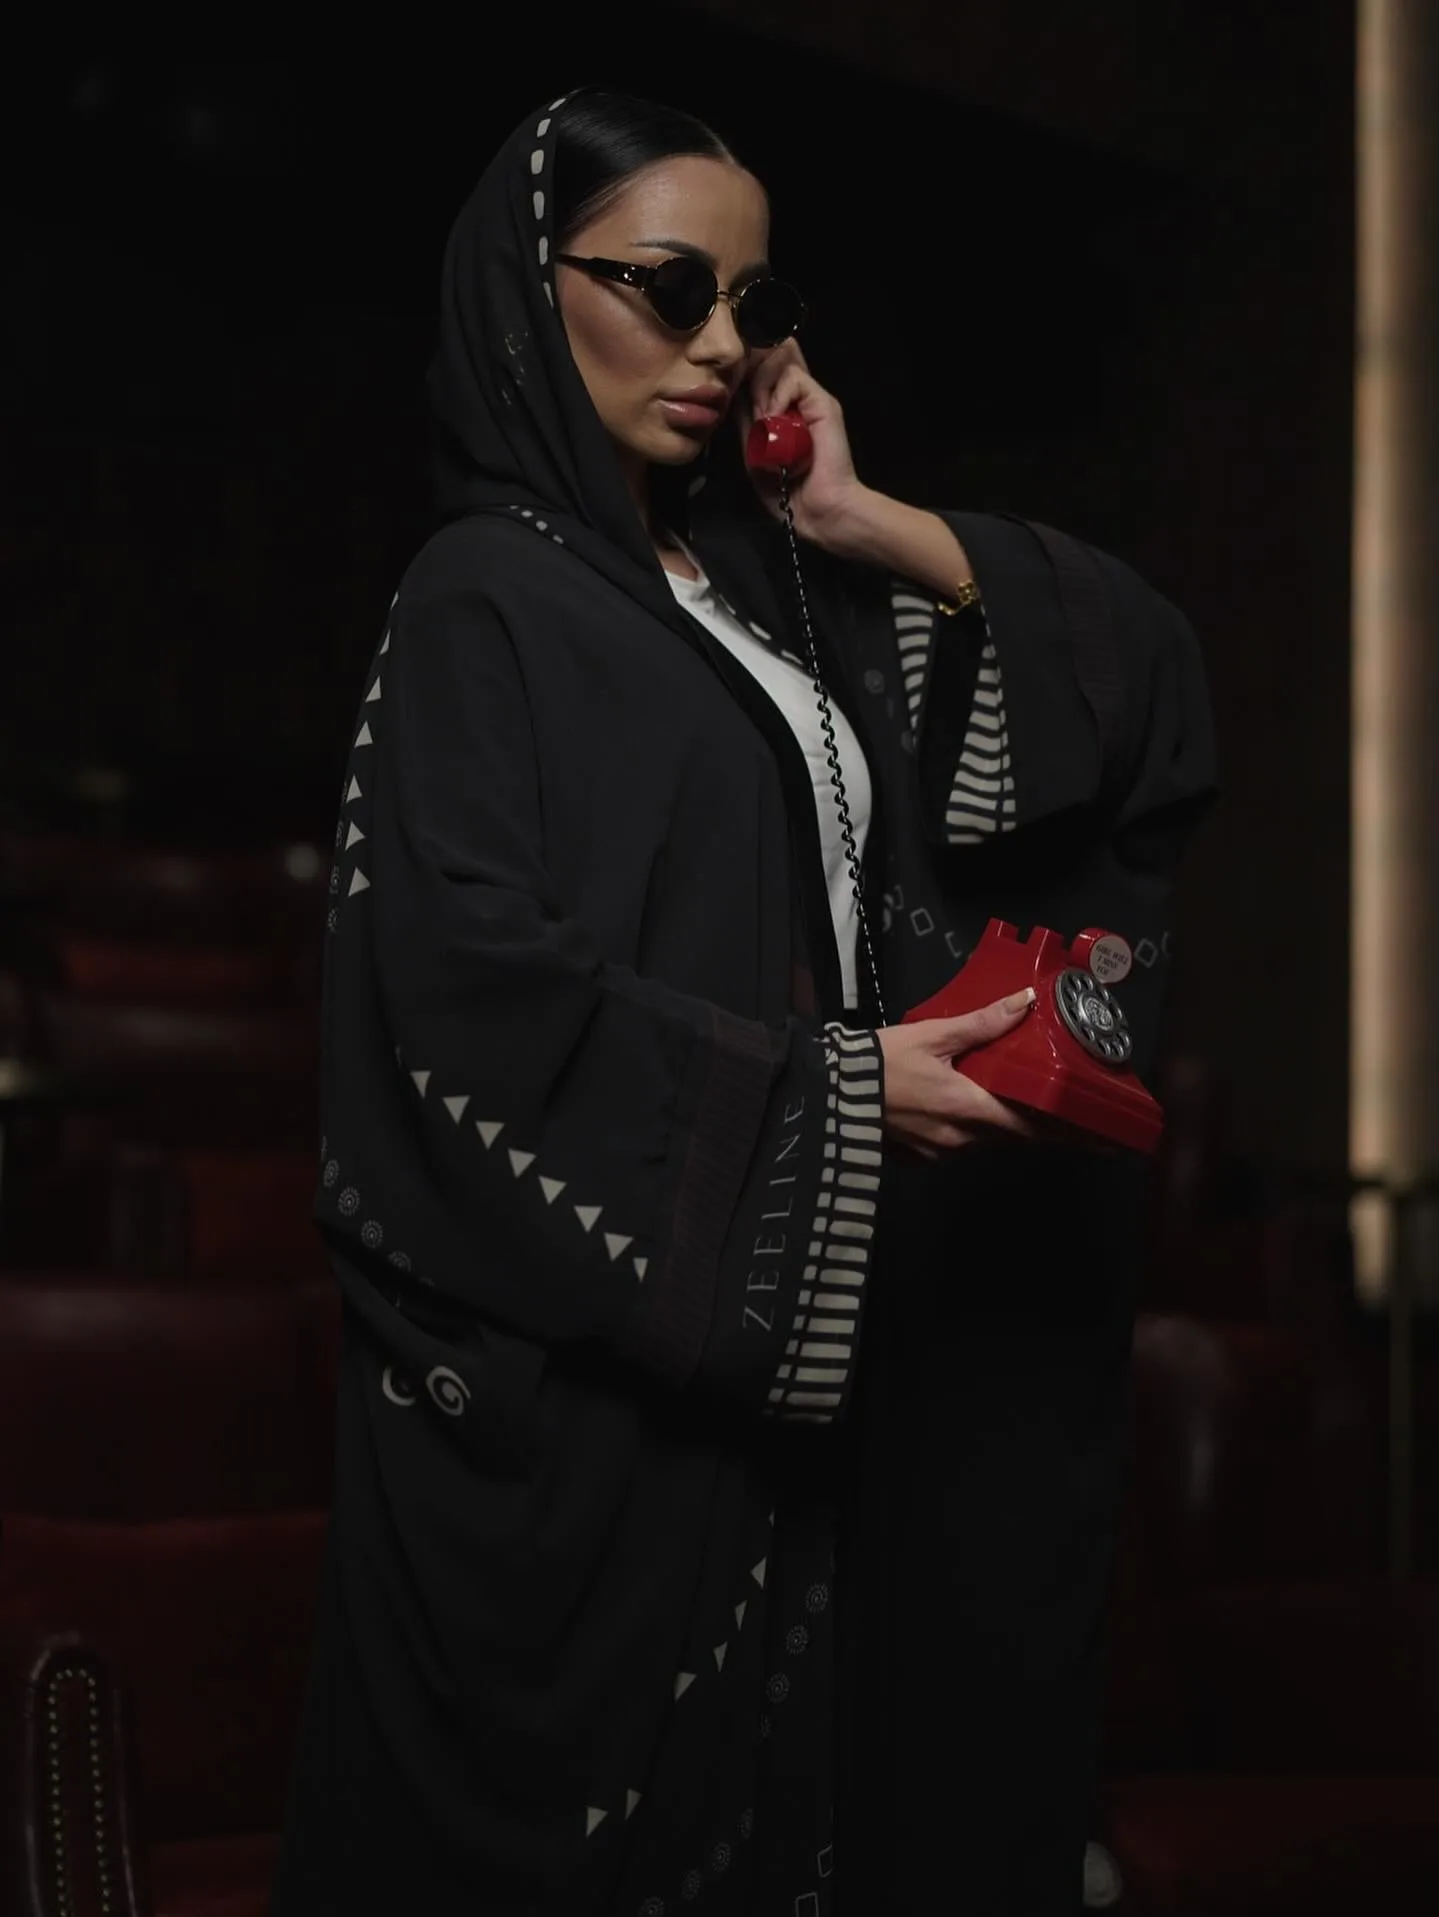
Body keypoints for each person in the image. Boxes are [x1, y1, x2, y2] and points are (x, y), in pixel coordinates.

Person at [270, 84, 1216, 1917]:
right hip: (591, 1439)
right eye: (665, 286)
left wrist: (865, 519)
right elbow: (452, 1007)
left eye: (753, 301)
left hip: (814, 1384)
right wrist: (838, 1102)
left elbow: (1148, 697)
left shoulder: (779, 596)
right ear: (528, 290)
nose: (719, 342)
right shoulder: (483, 598)